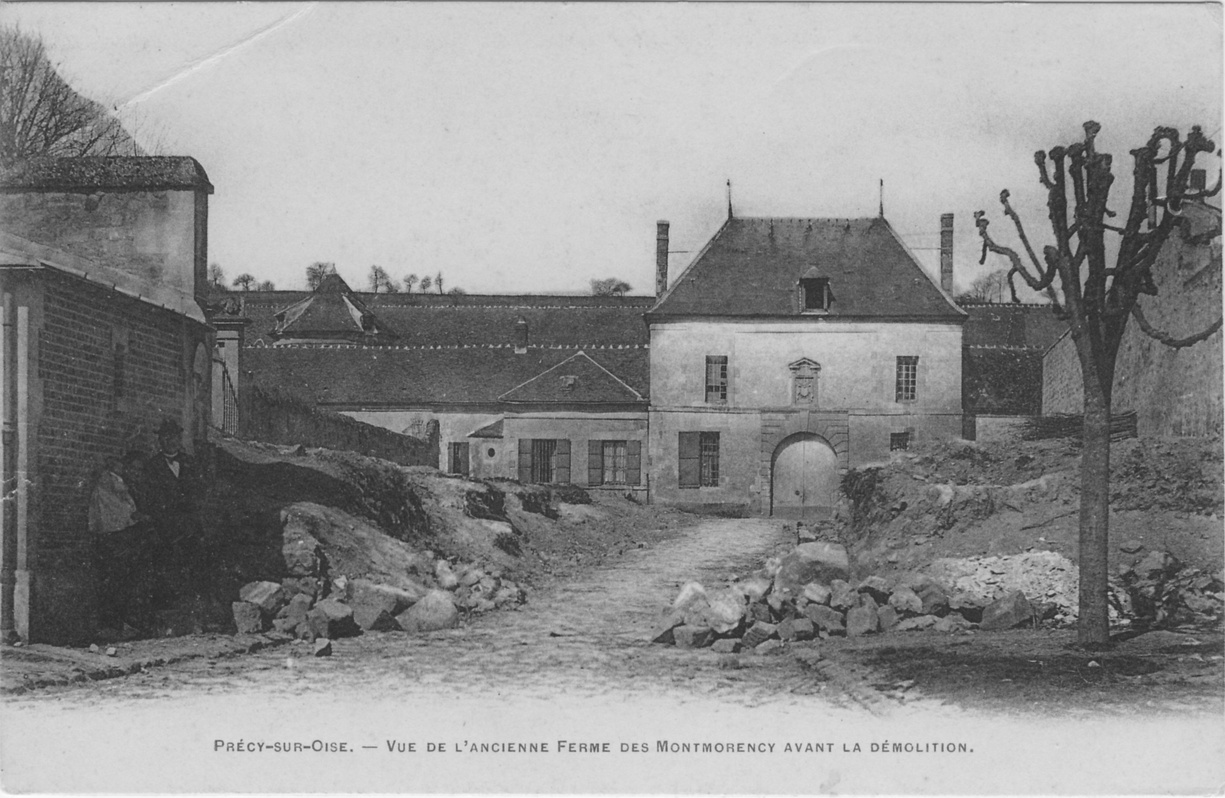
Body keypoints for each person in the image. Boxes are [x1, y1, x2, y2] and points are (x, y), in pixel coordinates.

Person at [141, 418, 208, 607]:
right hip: (165, 529)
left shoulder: (191, 464)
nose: (171, 441)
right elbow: (149, 499)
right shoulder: (151, 467)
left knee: (193, 568)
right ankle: (167, 613)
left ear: (179, 439)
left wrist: (193, 516)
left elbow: (200, 492)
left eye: (174, 437)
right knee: (165, 569)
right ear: (160, 440)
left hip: (189, 527)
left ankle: (194, 611)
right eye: (166, 437)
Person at [88, 451, 150, 635]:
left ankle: (121, 623)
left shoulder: (119, 483)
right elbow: (117, 510)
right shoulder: (107, 484)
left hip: (123, 538)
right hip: (113, 539)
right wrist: (135, 517)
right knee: (115, 581)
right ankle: (112, 625)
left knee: (125, 581)